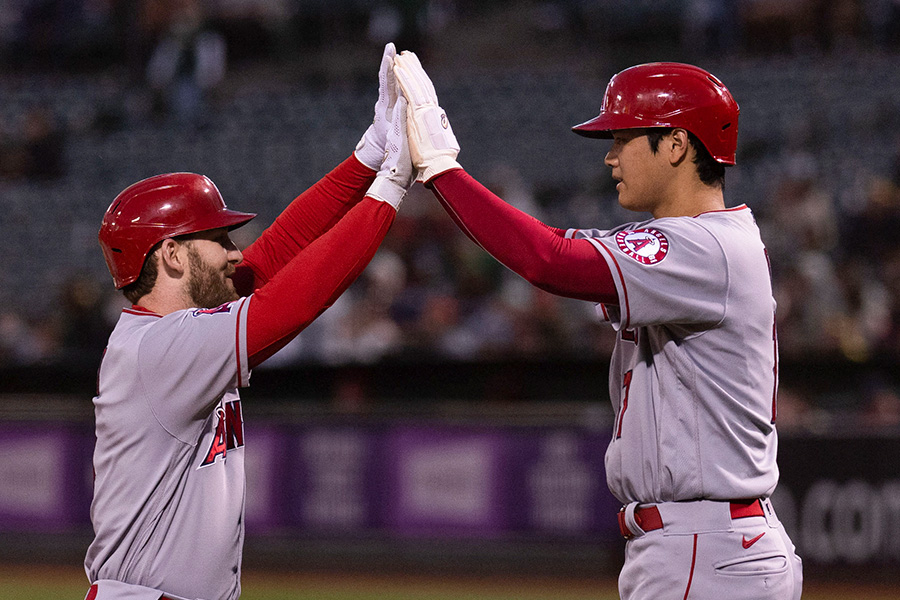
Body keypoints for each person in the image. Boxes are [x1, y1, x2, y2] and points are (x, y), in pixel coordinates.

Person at [393, 53, 802, 599]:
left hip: (705, 549)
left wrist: (442, 168)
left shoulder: (707, 247)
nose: (610, 158)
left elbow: (551, 262)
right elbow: (556, 251)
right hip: (708, 545)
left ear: (676, 144)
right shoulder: (700, 244)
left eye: (623, 138)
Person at [84, 43, 414, 600]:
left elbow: (277, 254)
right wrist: (393, 186)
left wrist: (370, 155)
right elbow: (295, 299)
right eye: (219, 240)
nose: (235, 253)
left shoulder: (176, 328)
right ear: (170, 255)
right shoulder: (162, 347)